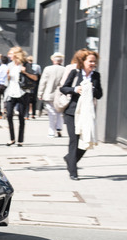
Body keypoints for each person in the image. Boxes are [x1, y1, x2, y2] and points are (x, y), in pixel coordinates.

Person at [59, 50, 103, 180]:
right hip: (72, 112)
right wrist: (75, 89)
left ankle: (69, 159)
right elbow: (63, 88)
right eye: (90, 61)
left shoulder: (96, 76)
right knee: (74, 140)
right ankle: (73, 172)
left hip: (87, 114)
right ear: (83, 61)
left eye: (94, 61)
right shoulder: (75, 73)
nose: (93, 63)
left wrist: (92, 89)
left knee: (86, 141)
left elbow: (100, 94)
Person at [4, 47, 38, 147]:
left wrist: (25, 72)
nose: (9, 55)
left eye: (10, 54)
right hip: (11, 93)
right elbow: (8, 81)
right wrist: (8, 76)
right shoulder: (10, 65)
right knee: (9, 115)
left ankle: (20, 140)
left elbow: (35, 77)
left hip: (23, 93)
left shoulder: (26, 64)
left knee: (21, 117)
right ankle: (12, 139)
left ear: (15, 55)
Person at [38, 52, 66, 137]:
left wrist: (40, 93)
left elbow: (43, 82)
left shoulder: (47, 69)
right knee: (59, 112)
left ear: (53, 60)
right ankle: (59, 127)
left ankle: (51, 131)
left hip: (49, 94)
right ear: (61, 60)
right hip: (60, 94)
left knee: (51, 113)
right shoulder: (64, 69)